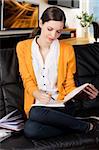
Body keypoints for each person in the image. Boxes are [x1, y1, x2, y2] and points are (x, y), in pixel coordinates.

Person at [16, 6, 99, 139]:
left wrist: (80, 93)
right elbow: (26, 79)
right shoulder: (23, 47)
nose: (53, 35)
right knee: (31, 129)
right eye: (50, 29)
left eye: (59, 31)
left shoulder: (67, 49)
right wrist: (37, 93)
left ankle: (72, 124)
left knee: (35, 116)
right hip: (37, 106)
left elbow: (69, 84)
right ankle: (84, 126)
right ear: (41, 23)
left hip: (61, 105)